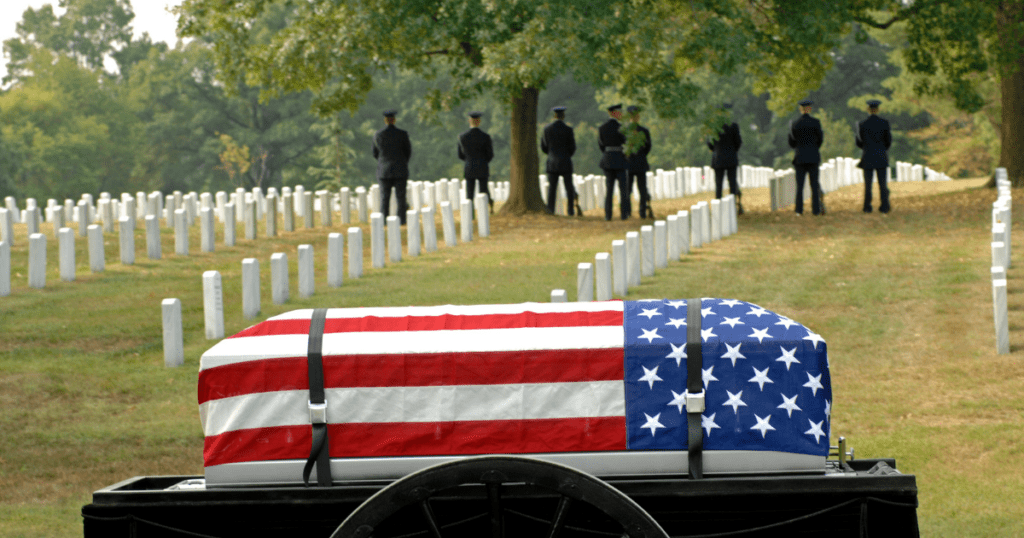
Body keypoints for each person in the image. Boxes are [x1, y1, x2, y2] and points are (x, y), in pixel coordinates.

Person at [372, 109, 412, 224]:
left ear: (385, 120)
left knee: (384, 197)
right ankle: (402, 220)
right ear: (394, 120)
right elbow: (407, 152)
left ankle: (384, 220)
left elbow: (375, 153)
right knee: (401, 197)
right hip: (400, 169)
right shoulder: (402, 134)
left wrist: (383, 162)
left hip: (384, 170)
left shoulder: (378, 134)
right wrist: (402, 162)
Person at [788, 99, 824, 216]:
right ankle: (816, 210)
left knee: (800, 186)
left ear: (800, 109)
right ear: (809, 109)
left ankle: (799, 210)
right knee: (814, 184)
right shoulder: (816, 122)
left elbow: (791, 142)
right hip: (813, 157)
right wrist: (813, 148)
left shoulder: (795, 124)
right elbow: (820, 140)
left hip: (800, 158)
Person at [856, 99, 892, 213]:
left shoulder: (862, 124)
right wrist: (881, 149)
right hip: (881, 155)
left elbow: (858, 141)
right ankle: (884, 206)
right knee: (882, 183)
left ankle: (867, 206)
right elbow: (888, 141)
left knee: (868, 184)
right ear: (877, 109)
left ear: (868, 110)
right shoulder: (884, 123)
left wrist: (866, 148)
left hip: (868, 156)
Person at [707, 103, 744, 215]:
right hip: (731, 157)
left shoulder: (713, 126)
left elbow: (710, 143)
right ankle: (733, 206)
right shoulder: (733, 126)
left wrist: (715, 150)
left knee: (719, 183)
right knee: (732, 182)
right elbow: (738, 142)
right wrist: (732, 151)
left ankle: (718, 205)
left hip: (718, 158)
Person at [541, 106, 578, 215]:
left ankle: (551, 209)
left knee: (552, 188)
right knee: (569, 187)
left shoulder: (547, 129)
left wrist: (551, 154)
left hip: (552, 162)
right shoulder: (568, 129)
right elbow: (572, 147)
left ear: (554, 116)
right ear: (563, 116)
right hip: (565, 161)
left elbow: (544, 146)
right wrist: (566, 155)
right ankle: (570, 210)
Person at [458, 111, 495, 215]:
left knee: (469, 193)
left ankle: (470, 214)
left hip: (469, 166)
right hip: (482, 166)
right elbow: (490, 154)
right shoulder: (485, 136)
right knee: (483, 190)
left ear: (469, 121)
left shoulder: (462, 137)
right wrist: (483, 161)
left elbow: (460, 154)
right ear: (479, 121)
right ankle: (486, 210)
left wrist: (469, 160)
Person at [599, 104, 630, 220]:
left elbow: (601, 145)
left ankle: (608, 214)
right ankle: (624, 214)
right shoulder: (622, 128)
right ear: (613, 113)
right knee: (623, 189)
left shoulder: (602, 128)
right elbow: (626, 143)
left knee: (609, 189)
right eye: (619, 112)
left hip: (607, 160)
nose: (621, 114)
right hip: (620, 159)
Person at [625, 105, 653, 219]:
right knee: (633, 189)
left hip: (631, 161)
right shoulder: (642, 131)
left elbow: (648, 146)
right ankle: (637, 211)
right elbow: (648, 147)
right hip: (636, 161)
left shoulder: (627, 130)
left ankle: (633, 211)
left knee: (636, 189)